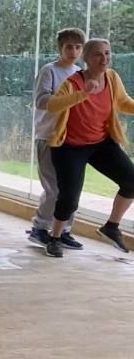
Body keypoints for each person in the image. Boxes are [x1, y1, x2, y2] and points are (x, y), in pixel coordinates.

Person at [43, 38, 134, 258]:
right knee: (69, 198)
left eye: (107, 53)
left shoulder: (111, 78)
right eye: (98, 54)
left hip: (100, 143)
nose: (104, 58)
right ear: (87, 58)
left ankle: (111, 227)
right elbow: (52, 105)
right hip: (69, 147)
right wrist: (83, 93)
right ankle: (54, 238)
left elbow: (122, 102)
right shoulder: (73, 82)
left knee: (131, 181)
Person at [28, 27, 87, 249]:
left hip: (72, 139)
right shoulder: (49, 71)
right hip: (49, 136)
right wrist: (69, 99)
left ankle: (63, 230)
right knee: (53, 188)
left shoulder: (80, 73)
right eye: (69, 47)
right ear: (60, 48)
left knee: (71, 189)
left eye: (78, 47)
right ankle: (40, 227)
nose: (74, 51)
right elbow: (41, 101)